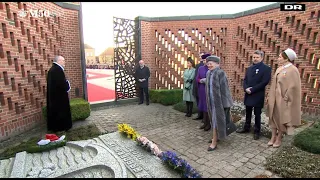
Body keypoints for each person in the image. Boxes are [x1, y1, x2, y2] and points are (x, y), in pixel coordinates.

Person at [266, 48, 301, 148]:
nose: (278, 58)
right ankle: (273, 137)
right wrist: (269, 96)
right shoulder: (279, 68)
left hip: (283, 99)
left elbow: (294, 86)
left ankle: (279, 138)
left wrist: (286, 98)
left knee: (281, 118)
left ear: (286, 59)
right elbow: (274, 84)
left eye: (280, 57)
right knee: (273, 117)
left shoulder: (293, 70)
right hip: (274, 97)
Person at [236, 50, 272, 140]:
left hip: (257, 95)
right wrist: (246, 88)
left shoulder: (266, 69)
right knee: (248, 112)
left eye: (257, 57)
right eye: (254, 57)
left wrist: (252, 89)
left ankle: (257, 131)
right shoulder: (250, 68)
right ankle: (246, 128)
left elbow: (264, 82)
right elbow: (245, 80)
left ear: (262, 58)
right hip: (248, 94)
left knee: (257, 114)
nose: (255, 59)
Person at [205, 55, 234, 151]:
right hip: (211, 103)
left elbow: (225, 90)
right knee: (213, 121)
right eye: (208, 63)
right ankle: (215, 137)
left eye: (211, 63)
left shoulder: (221, 73)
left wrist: (226, 104)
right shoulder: (209, 73)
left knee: (216, 122)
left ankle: (214, 142)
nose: (209, 65)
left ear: (217, 64)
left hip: (219, 103)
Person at [46, 55, 72, 132]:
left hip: (54, 97)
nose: (64, 62)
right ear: (59, 61)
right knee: (61, 112)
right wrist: (67, 85)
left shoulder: (52, 70)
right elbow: (62, 85)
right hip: (59, 98)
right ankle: (62, 128)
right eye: (63, 61)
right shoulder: (58, 70)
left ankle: (55, 127)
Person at [195, 54, 211, 131]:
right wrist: (200, 80)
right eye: (203, 60)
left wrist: (207, 80)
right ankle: (204, 122)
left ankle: (208, 124)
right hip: (201, 89)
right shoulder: (200, 68)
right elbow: (197, 78)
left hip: (208, 90)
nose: (204, 62)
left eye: (206, 60)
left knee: (207, 107)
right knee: (203, 107)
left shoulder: (210, 68)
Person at [192, 52, 206, 120]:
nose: (201, 57)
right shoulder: (198, 65)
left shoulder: (206, 66)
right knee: (198, 102)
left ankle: (204, 117)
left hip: (202, 87)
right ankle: (199, 115)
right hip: (197, 86)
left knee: (203, 102)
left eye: (202, 56)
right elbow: (196, 77)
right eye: (200, 56)